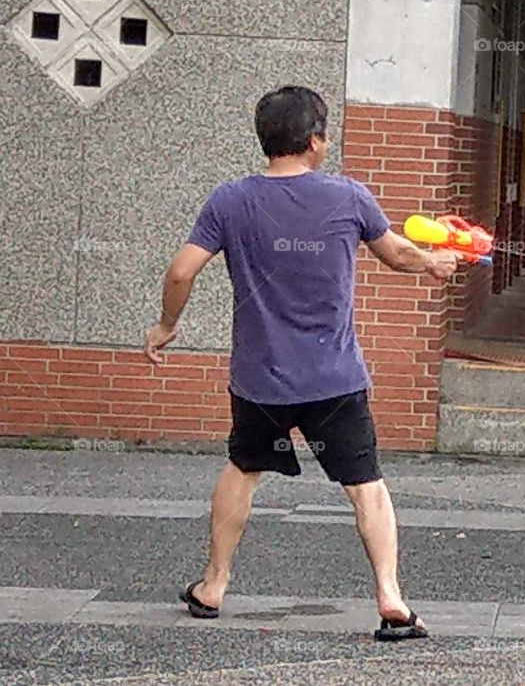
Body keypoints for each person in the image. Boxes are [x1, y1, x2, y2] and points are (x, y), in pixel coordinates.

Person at [143, 85, 458, 640]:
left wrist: (168, 326)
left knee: (244, 469)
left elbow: (180, 272)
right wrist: (435, 264)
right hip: (333, 376)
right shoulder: (348, 197)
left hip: (261, 379)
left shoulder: (229, 200)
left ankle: (213, 586)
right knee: (366, 485)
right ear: (315, 141)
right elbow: (399, 256)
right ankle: (390, 597)